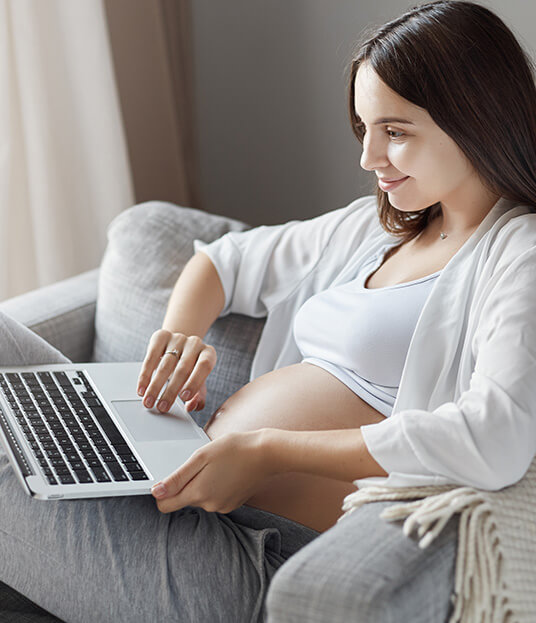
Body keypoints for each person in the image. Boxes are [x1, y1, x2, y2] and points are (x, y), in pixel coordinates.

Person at [2, 0, 536, 621]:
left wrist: (267, 451)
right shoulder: (374, 227)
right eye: (364, 129)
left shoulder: (519, 253)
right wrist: (180, 336)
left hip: (253, 556)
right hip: (182, 498)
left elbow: (494, 436)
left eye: (395, 132)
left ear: (477, 119)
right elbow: (222, 262)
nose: (368, 158)